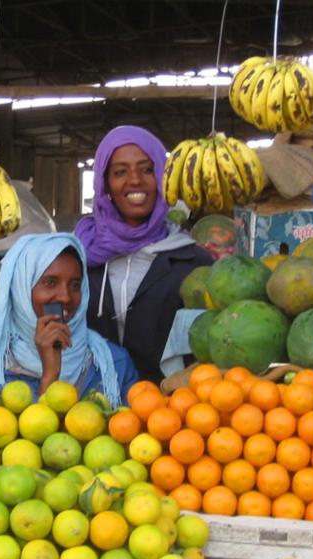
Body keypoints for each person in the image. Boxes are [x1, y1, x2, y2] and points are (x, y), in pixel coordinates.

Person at [75, 125, 214, 382]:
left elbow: (206, 346)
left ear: (163, 176)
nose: (135, 180)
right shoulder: (79, 255)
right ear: (105, 183)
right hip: (87, 408)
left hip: (170, 411)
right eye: (120, 172)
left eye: (147, 169)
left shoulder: (194, 261)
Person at [0, 233, 138, 407]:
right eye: (50, 283)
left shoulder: (113, 364)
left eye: (75, 285)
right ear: (22, 290)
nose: (65, 297)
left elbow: (134, 427)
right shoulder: (0, 370)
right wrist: (50, 375)